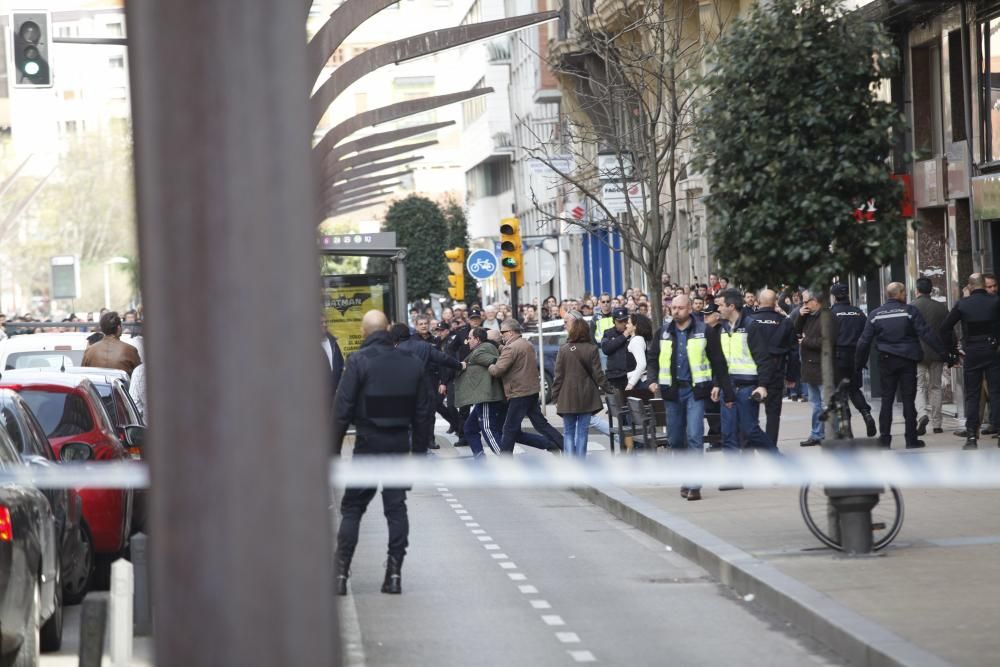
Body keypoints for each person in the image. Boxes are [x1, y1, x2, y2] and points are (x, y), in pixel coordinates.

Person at [331, 310, 432, 596]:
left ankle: (340, 574)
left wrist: (333, 452)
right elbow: (424, 413)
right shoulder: (412, 364)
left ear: (364, 332)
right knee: (396, 509)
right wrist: (420, 454)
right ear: (387, 329)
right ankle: (394, 573)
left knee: (352, 509)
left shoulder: (359, 361)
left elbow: (342, 410)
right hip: (399, 445)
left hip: (367, 445)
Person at [648, 295, 734, 501]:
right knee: (676, 440)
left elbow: (718, 363)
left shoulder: (704, 331)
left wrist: (724, 390)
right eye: (673, 308)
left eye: (679, 307)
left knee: (695, 436)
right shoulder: (663, 332)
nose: (675, 311)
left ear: (689, 309)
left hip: (695, 392)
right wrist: (652, 379)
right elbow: (652, 359)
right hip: (672, 392)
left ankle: (695, 485)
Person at [855, 282, 948, 449]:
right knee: (908, 400)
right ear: (900, 293)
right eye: (905, 292)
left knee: (887, 401)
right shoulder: (909, 311)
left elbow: (864, 341)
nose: (906, 295)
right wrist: (943, 353)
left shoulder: (876, 314)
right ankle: (911, 439)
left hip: (886, 361)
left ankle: (884, 440)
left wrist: (859, 364)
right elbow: (926, 333)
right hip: (907, 360)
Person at [717, 289, 780, 461]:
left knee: (750, 430)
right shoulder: (722, 328)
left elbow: (763, 359)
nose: (719, 309)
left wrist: (762, 385)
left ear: (731, 306)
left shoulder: (751, 326)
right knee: (728, 432)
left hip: (747, 388)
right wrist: (717, 384)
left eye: (721, 305)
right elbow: (721, 360)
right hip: (728, 387)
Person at [939, 273, 1000, 449]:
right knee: (996, 393)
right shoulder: (995, 301)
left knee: (972, 395)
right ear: (983, 285)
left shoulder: (963, 304)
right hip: (992, 350)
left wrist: (952, 350)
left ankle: (972, 437)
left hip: (972, 351)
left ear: (970, 286)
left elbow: (944, 328)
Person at [489, 319, 563, 453]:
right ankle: (565, 446)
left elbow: (497, 370)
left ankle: (505, 461)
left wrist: (489, 365)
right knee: (541, 424)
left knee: (509, 428)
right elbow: (514, 355)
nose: (501, 335)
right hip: (531, 391)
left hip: (519, 393)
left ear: (510, 332)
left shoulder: (511, 348)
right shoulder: (526, 344)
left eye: (503, 332)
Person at [389, 323, 463, 452]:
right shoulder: (424, 346)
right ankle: (429, 441)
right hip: (424, 387)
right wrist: (460, 365)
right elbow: (443, 358)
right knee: (428, 415)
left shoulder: (393, 351)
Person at [551, 319, 611, 457]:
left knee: (568, 432)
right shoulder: (592, 349)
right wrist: (609, 389)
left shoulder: (564, 349)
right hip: (587, 396)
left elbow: (558, 376)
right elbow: (598, 374)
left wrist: (555, 397)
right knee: (583, 432)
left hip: (567, 396)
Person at [748, 289, 796, 445]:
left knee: (749, 413)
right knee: (773, 414)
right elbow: (793, 352)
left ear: (759, 301)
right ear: (775, 302)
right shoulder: (785, 322)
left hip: (751, 372)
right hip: (776, 371)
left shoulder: (749, 321)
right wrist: (791, 376)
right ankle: (770, 447)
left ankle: (749, 446)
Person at [830, 283, 877, 437]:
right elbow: (867, 335)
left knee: (841, 393)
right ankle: (866, 414)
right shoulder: (858, 313)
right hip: (855, 356)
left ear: (834, 297)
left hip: (839, 357)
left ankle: (847, 430)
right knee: (854, 389)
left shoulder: (832, 314)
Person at [455, 327, 506, 458]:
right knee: (469, 429)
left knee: (488, 429)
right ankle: (479, 458)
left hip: (487, 396)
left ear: (477, 339)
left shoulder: (480, 351)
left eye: (470, 338)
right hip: (483, 396)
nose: (468, 341)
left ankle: (506, 459)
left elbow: (497, 362)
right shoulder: (484, 348)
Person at [910, 278, 949, 438]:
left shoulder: (911, 307)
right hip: (936, 353)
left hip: (917, 353)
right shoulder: (941, 308)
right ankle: (937, 424)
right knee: (935, 387)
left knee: (919, 387)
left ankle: (921, 415)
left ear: (917, 290)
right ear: (931, 290)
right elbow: (948, 331)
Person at [794, 291, 826, 447]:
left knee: (825, 403)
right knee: (815, 404)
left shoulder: (826, 318)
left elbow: (825, 342)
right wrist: (800, 316)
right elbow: (796, 333)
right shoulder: (807, 316)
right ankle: (817, 434)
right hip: (809, 366)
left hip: (822, 366)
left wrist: (805, 341)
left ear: (816, 301)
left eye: (806, 302)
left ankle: (827, 434)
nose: (804, 305)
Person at [82, 311, 142, 376]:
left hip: (97, 386)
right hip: (124, 386)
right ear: (119, 328)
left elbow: (83, 375)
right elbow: (140, 375)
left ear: (102, 329)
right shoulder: (130, 350)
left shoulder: (89, 351)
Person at [601, 307, 631, 391]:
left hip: (630, 376)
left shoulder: (632, 333)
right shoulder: (608, 333)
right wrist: (623, 336)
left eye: (625, 321)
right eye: (620, 321)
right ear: (614, 321)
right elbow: (606, 349)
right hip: (614, 376)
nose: (623, 324)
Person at [625, 313, 653, 397]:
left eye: (629, 323)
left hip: (640, 383)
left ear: (635, 326)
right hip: (638, 381)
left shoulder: (637, 340)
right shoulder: (636, 339)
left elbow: (642, 364)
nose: (626, 325)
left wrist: (631, 383)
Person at [322, 316, 345, 404]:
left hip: (333, 397)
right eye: (321, 323)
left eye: (326, 322)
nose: (324, 325)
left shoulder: (333, 343)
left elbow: (340, 366)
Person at [590, 294, 614, 368]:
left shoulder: (615, 315)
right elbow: (591, 335)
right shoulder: (595, 318)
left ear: (611, 302)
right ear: (599, 303)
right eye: (603, 302)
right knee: (604, 372)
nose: (605, 303)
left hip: (615, 348)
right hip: (601, 350)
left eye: (607, 301)